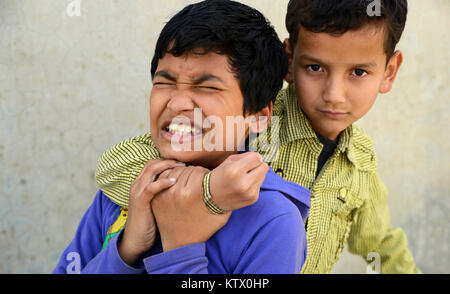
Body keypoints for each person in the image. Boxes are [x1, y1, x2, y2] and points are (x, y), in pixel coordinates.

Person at [92, 0, 422, 273]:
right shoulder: (252, 117)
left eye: (358, 72)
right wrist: (209, 192)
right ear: (289, 61)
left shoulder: (360, 161)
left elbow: (379, 242)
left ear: (389, 72)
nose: (334, 95)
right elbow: (117, 164)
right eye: (315, 68)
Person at [53, 0, 310, 274]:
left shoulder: (273, 220)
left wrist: (179, 247)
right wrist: (126, 249)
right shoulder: (129, 186)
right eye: (164, 82)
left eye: (207, 87)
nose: (176, 104)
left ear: (258, 116)